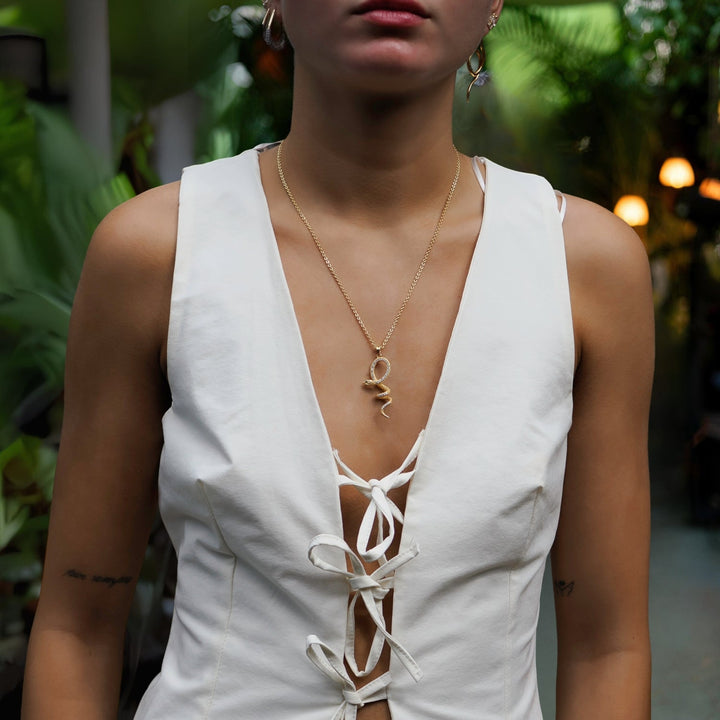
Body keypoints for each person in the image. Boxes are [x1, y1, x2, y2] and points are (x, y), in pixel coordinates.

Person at [22, 1, 654, 718]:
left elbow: (608, 647)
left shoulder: (583, 267)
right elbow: (76, 630)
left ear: (494, 4)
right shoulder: (156, 253)